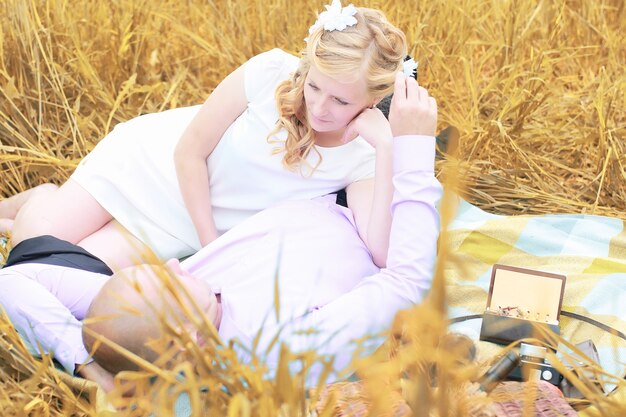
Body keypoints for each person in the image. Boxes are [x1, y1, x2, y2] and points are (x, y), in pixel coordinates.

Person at [0, 68, 441, 390]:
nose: (175, 265)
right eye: (169, 281)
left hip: (179, 183)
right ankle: (38, 205)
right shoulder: (274, 349)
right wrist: (405, 147)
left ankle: (35, 201)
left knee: (28, 250)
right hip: (342, 207)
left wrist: (86, 364)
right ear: (189, 338)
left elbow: (14, 280)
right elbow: (404, 278)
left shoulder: (161, 307)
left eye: (157, 271)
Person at [7, 1, 424, 270]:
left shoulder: (364, 157)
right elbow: (189, 150)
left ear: (372, 100)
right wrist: (211, 250)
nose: (318, 108)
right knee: (31, 242)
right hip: (148, 169)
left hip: (176, 229)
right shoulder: (269, 72)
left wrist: (388, 146)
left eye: (340, 101)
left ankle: (45, 201)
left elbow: (382, 254)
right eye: (314, 87)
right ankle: (42, 197)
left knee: (43, 268)